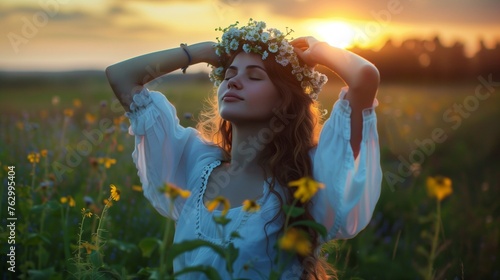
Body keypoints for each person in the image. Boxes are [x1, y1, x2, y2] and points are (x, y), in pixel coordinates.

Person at [106, 19, 382, 279]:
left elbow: (365, 77)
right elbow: (121, 76)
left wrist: (317, 49)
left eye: (254, 77)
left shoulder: (307, 175)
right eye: (229, 73)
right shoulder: (196, 163)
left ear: (283, 101)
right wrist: (202, 52)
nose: (233, 82)